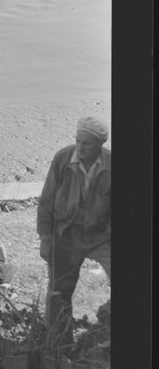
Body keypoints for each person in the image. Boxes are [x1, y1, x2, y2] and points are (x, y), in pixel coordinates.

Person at [37, 116, 111, 345]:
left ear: (99, 144)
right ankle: (60, 344)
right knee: (59, 293)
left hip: (100, 236)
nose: (80, 147)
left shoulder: (112, 163)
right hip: (66, 234)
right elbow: (47, 200)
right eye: (77, 141)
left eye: (86, 143)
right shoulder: (62, 159)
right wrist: (46, 238)